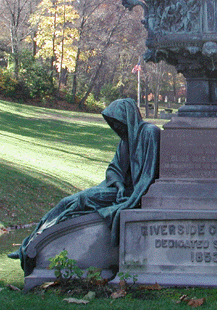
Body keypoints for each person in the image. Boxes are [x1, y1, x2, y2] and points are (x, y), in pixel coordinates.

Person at [8, 98, 160, 275]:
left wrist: (130, 197)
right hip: (119, 190)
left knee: (81, 199)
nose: (116, 128)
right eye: (113, 123)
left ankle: (32, 246)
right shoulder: (125, 141)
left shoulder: (150, 132)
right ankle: (29, 244)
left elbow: (149, 173)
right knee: (66, 201)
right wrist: (118, 185)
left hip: (133, 192)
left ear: (128, 117)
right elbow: (114, 168)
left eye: (117, 122)